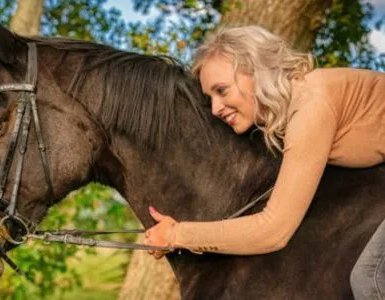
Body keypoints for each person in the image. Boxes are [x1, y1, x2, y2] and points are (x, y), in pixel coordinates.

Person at [143, 25, 385, 299]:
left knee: (371, 277)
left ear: (257, 71)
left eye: (222, 90)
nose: (215, 108)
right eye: (210, 98)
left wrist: (178, 235)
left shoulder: (311, 107)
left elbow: (273, 231)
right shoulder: (299, 106)